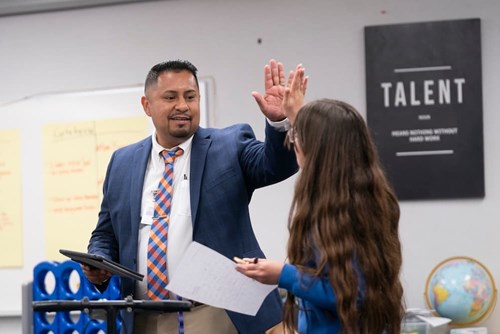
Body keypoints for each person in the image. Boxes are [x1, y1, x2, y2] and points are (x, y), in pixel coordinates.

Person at [81, 58, 307, 334]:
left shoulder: (229, 144)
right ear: (147, 105)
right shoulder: (122, 162)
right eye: (170, 97)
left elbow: (277, 165)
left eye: (190, 97)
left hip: (215, 311)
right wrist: (98, 261)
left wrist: (278, 122)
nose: (182, 106)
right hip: (142, 315)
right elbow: (105, 234)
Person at [236, 68, 405, 333]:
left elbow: (353, 293)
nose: (294, 143)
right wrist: (293, 114)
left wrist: (282, 274)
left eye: (299, 138)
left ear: (319, 150)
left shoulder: (349, 211)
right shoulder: (354, 192)